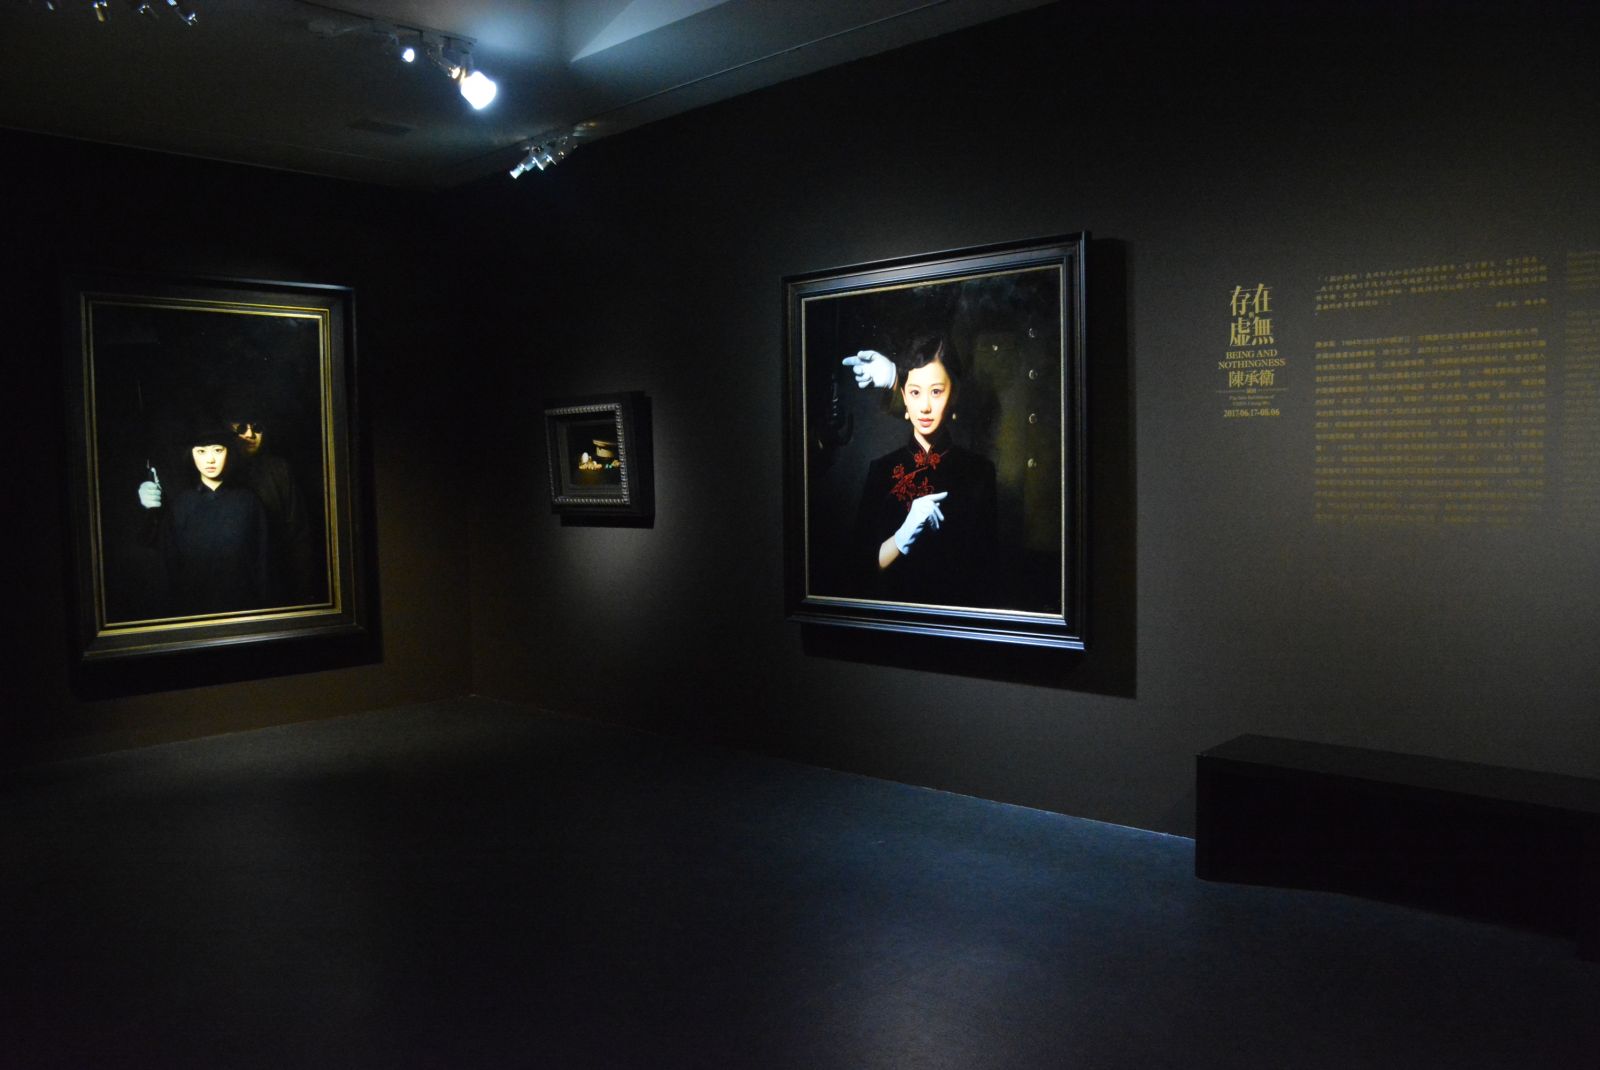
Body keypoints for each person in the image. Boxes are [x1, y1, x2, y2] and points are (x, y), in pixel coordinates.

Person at [851, 335, 997, 606]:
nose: (925, 407)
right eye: (915, 392)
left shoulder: (979, 473)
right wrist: (901, 538)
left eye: (936, 391)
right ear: (904, 397)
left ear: (954, 394)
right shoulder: (881, 470)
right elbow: (858, 571)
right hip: (893, 620)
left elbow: (986, 576)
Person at [137, 422, 271, 616]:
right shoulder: (180, 505)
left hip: (242, 612)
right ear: (191, 455)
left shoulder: (249, 502)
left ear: (228, 452)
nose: (210, 459)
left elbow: (263, 567)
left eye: (217, 450)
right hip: (193, 614)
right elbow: (167, 569)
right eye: (201, 451)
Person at [227, 415, 321, 605]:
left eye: (257, 428)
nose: (250, 434)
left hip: (277, 582)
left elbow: (298, 533)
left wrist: (303, 591)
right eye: (242, 428)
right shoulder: (218, 471)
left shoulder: (279, 470)